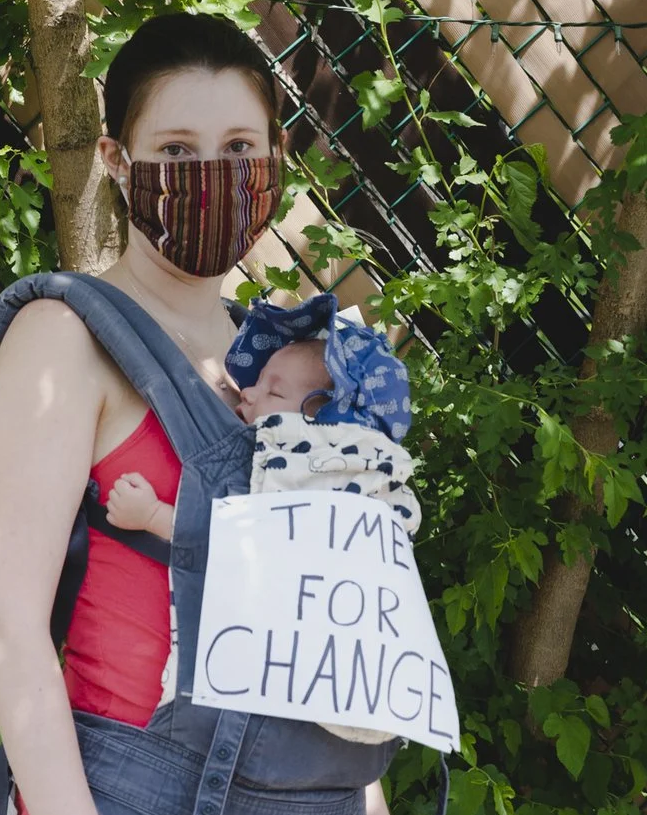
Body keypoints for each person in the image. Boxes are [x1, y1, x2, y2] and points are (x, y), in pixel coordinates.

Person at [0, 12, 429, 815]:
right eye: (176, 146)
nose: (212, 175)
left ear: (275, 162)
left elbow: (317, 638)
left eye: (240, 145)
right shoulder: (63, 340)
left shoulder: (285, 366)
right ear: (118, 164)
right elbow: (9, 629)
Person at [105, 292, 423, 745]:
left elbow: (246, 550)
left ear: (322, 419)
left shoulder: (309, 471)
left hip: (273, 710)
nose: (246, 391)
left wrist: (155, 515)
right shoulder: (359, 486)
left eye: (274, 390)